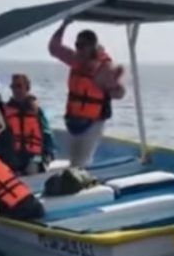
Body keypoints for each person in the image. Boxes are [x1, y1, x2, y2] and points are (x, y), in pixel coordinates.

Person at [48, 19, 126, 167]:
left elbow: (120, 93)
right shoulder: (75, 60)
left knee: (80, 163)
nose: (79, 50)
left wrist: (114, 87)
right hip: (73, 120)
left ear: (92, 47)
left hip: (93, 122)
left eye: (82, 46)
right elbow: (54, 48)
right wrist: (64, 26)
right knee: (74, 161)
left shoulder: (104, 68)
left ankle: (80, 184)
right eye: (77, 45)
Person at [3, 73, 56, 175]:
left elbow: (47, 135)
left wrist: (47, 156)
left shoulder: (37, 112)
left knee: (32, 169)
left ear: (27, 88)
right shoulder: (6, 111)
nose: (16, 90)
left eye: (19, 86)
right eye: (13, 86)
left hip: (34, 157)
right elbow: (1, 139)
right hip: (13, 158)